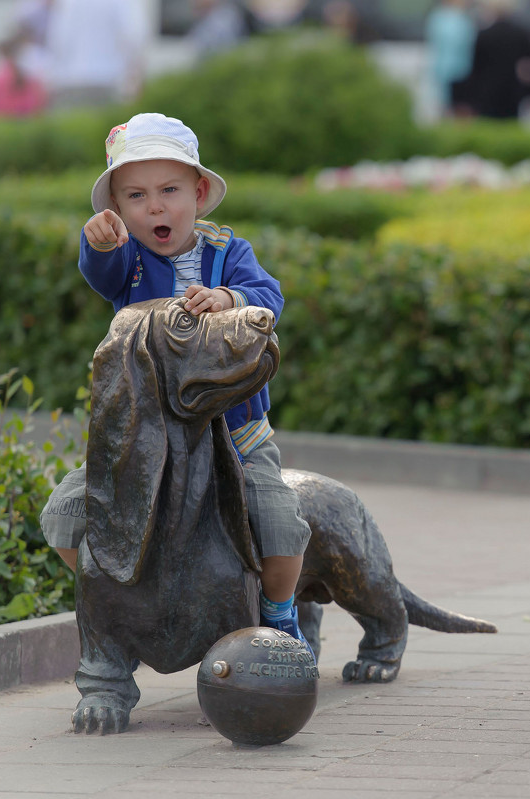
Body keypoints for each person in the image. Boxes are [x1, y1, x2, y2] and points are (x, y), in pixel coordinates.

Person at [41, 113, 315, 653]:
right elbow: (102, 271)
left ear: (200, 190)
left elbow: (269, 297)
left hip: (235, 438)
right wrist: (98, 242)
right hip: (147, 444)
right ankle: (123, 597)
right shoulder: (130, 262)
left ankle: (280, 614)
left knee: (280, 524)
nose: (156, 206)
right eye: (136, 196)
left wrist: (231, 300)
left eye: (170, 190)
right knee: (65, 516)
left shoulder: (228, 253)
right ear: (117, 209)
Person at [452, 0, 530, 119]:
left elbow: (475, 69)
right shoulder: (521, 34)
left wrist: (468, 99)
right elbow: (528, 68)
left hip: (486, 92)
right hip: (512, 92)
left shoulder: (484, 35)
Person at [425, 0, 477, 115]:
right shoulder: (442, 18)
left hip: (462, 71)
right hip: (448, 71)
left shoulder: (465, 17)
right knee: (448, 107)